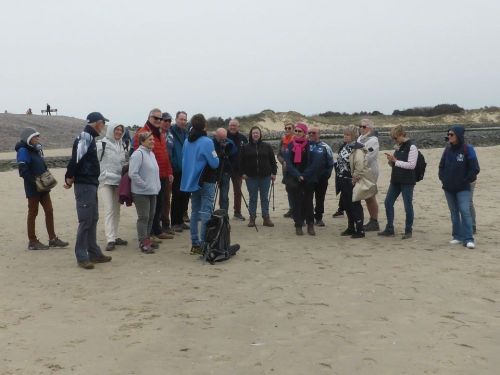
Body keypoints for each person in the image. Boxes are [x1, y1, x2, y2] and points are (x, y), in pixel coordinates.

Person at [64, 112, 112, 269]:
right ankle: (82, 255)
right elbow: (76, 158)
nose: (103, 126)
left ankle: (94, 252)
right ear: (98, 123)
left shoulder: (89, 137)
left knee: (93, 218)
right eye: (103, 123)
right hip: (84, 183)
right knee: (86, 220)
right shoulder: (85, 137)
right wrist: (69, 176)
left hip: (90, 183)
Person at [16, 128, 68, 250]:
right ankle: (32, 241)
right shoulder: (23, 150)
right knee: (33, 213)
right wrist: (35, 182)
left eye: (37, 137)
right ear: (28, 138)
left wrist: (45, 180)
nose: (37, 139)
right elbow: (23, 171)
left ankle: (52, 239)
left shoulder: (36, 150)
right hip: (33, 188)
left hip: (44, 187)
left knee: (49, 211)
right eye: (35, 137)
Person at [180, 114, 220, 255]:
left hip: (192, 181)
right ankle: (204, 244)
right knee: (205, 213)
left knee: (195, 212)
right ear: (204, 126)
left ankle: (195, 244)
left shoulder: (187, 141)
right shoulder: (207, 141)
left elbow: (185, 160)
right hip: (206, 180)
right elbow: (215, 163)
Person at [133, 108, 174, 241]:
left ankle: (157, 230)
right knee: (149, 211)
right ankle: (148, 235)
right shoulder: (142, 133)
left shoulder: (159, 133)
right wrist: (144, 181)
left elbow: (165, 154)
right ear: (149, 117)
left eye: (160, 118)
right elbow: (137, 155)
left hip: (161, 176)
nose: (158, 120)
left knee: (159, 205)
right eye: (155, 118)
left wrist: (169, 172)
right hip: (149, 178)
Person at [438, 125, 480, 249]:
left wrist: (465, 179)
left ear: (458, 135)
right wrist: (443, 178)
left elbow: (475, 168)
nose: (449, 137)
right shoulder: (447, 150)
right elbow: (441, 166)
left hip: (463, 187)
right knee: (454, 212)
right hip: (448, 187)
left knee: (464, 210)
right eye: (448, 134)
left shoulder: (468, 149)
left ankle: (468, 238)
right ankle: (457, 236)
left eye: (452, 134)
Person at [378, 125, 418, 239]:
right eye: (393, 138)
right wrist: (391, 161)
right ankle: (389, 228)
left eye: (395, 138)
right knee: (388, 202)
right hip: (396, 179)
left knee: (407, 206)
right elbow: (395, 163)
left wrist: (396, 161)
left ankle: (408, 230)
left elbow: (411, 165)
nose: (394, 140)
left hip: (407, 181)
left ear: (402, 135)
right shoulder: (398, 146)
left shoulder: (412, 147)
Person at [284, 123, 321, 236]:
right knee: (296, 203)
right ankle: (298, 225)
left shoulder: (310, 145)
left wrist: (304, 175)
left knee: (308, 202)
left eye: (300, 131)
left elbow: (314, 163)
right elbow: (288, 163)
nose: (298, 133)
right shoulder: (290, 145)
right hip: (295, 178)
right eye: (296, 131)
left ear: (304, 133)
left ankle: (310, 224)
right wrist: (297, 175)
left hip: (308, 178)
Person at [97, 123, 128, 251]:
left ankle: (115, 236)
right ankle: (110, 239)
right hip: (105, 181)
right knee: (109, 209)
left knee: (117, 209)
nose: (119, 132)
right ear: (111, 130)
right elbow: (95, 161)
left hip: (118, 181)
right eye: (117, 129)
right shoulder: (101, 144)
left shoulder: (123, 145)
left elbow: (124, 162)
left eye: (121, 130)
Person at [129, 132, 162, 254]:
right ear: (142, 141)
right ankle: (143, 242)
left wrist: (157, 186)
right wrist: (145, 185)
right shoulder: (138, 154)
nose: (153, 141)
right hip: (140, 192)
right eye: (150, 139)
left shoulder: (151, 154)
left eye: (153, 139)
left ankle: (147, 239)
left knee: (151, 216)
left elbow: (154, 172)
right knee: (144, 217)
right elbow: (133, 173)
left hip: (152, 191)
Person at [239, 126, 277, 228]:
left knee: (264, 198)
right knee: (253, 198)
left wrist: (274, 173)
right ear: (251, 135)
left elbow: (273, 161)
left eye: (257, 133)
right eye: (253, 133)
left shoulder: (267, 146)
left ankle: (266, 218)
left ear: (260, 135)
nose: (255, 134)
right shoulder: (245, 147)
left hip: (265, 176)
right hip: (250, 177)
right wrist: (242, 173)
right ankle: (252, 218)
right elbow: (241, 162)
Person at [307, 127, 334, 227]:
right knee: (308, 199)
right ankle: (308, 218)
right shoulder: (305, 146)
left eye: (313, 133)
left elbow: (330, 163)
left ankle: (319, 218)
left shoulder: (325, 147)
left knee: (320, 199)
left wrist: (326, 175)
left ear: (319, 134)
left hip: (321, 179)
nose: (311, 135)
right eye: (309, 133)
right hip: (308, 178)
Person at [357, 119, 380, 231]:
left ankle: (374, 221)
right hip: (360, 170)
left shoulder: (373, 140)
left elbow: (368, 157)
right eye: (360, 126)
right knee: (363, 195)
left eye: (364, 126)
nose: (361, 128)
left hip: (369, 171)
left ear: (370, 128)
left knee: (370, 196)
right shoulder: (360, 138)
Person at [170, 111, 191, 232]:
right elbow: (171, 151)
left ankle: (181, 220)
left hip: (186, 170)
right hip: (176, 169)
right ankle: (174, 222)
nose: (183, 121)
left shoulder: (186, 133)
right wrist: (173, 165)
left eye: (185, 120)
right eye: (181, 119)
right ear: (176, 119)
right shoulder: (171, 132)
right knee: (176, 196)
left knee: (184, 196)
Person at [226, 119, 248, 220]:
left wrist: (245, 171)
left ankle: (237, 212)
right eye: (231, 125)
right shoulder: (223, 137)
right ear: (228, 126)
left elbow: (247, 155)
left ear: (238, 127)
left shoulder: (243, 138)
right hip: (225, 169)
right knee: (224, 192)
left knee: (238, 192)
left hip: (238, 170)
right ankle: (224, 213)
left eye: (234, 125)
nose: (232, 127)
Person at [212, 128, 238, 212]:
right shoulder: (210, 142)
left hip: (225, 171)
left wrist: (228, 150)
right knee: (210, 194)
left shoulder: (229, 142)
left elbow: (234, 154)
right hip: (212, 171)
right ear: (216, 136)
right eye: (221, 138)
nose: (223, 141)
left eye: (224, 138)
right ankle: (208, 214)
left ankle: (224, 214)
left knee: (224, 195)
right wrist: (219, 154)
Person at [161, 112, 175, 235]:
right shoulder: (154, 134)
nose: (167, 123)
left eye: (169, 121)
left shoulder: (171, 135)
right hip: (155, 171)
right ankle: (155, 226)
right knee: (156, 199)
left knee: (166, 198)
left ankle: (166, 224)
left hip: (168, 170)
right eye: (165, 120)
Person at [277, 122, 295, 218]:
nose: (287, 130)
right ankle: (291, 209)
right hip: (286, 170)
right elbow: (279, 154)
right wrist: (283, 161)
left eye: (289, 128)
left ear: (293, 129)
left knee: (296, 189)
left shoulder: (296, 140)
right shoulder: (283, 140)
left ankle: (296, 209)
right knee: (288, 189)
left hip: (295, 170)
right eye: (286, 128)